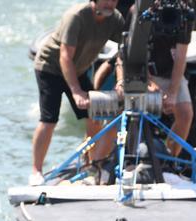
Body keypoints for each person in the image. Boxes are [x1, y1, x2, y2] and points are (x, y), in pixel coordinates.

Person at [30, 0, 126, 185]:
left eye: (114, 0)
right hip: (51, 67)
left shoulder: (115, 19)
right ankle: (36, 170)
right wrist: (76, 91)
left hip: (79, 69)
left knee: (94, 115)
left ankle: (92, 164)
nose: (110, 3)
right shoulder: (76, 16)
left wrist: (121, 81)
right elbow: (65, 57)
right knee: (49, 120)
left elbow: (124, 52)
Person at [148, 0, 195, 156]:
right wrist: (150, 83)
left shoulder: (186, 13)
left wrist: (173, 93)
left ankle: (169, 159)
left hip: (171, 71)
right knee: (134, 115)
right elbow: (133, 52)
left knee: (185, 113)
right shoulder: (142, 11)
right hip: (144, 71)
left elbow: (181, 55)